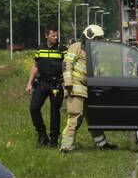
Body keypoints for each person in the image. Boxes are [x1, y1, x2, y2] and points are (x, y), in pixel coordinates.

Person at [60, 24, 115, 152]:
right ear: (89, 37)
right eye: (97, 39)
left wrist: (109, 80)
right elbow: (66, 63)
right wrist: (68, 82)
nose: (98, 42)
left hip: (88, 88)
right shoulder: (76, 47)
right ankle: (66, 147)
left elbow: (97, 70)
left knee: (93, 118)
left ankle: (102, 144)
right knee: (75, 117)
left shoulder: (94, 52)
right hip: (75, 87)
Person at [26, 27, 65, 148]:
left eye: (57, 36)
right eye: (53, 35)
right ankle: (42, 135)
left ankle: (54, 139)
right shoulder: (40, 48)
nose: (56, 38)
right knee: (34, 108)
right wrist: (29, 83)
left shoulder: (62, 49)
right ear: (46, 35)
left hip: (56, 84)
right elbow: (35, 66)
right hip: (42, 83)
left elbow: (67, 66)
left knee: (54, 111)